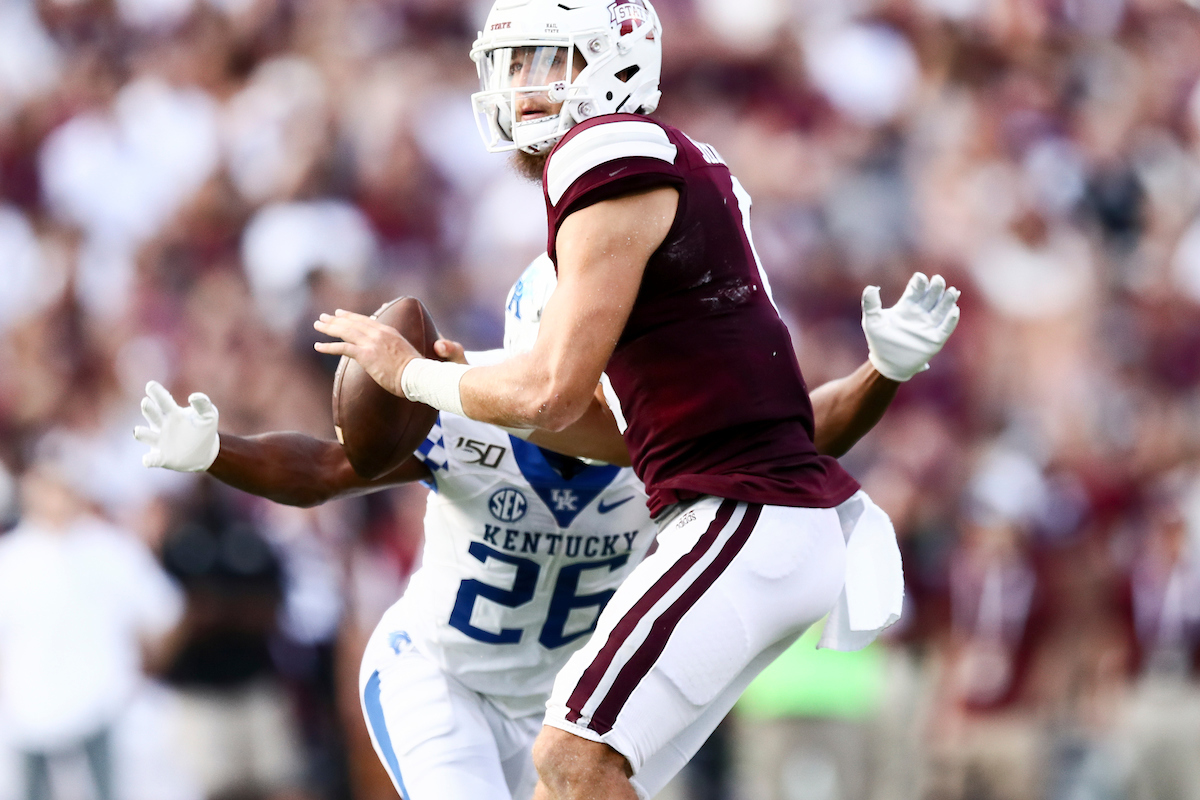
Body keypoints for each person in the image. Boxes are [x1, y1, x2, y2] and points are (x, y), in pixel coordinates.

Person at [309, 1, 961, 797]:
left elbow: (548, 392)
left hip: (736, 519)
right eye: (511, 65)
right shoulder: (674, 181)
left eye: (545, 61)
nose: (521, 87)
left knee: (570, 758)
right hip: (765, 524)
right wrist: (881, 374)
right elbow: (745, 426)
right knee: (568, 784)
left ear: (614, 62)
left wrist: (408, 373)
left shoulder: (605, 151)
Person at [139, 252, 956, 799]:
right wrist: (217, 450)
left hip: (565, 704)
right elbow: (326, 469)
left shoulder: (663, 418)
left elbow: (798, 440)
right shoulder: (461, 398)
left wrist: (883, 371)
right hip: (441, 676)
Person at [0, 438, 184, 800]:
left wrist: (142, 671)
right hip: (28, 716)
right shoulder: (11, 560)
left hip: (107, 711)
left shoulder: (109, 548)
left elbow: (165, 613)